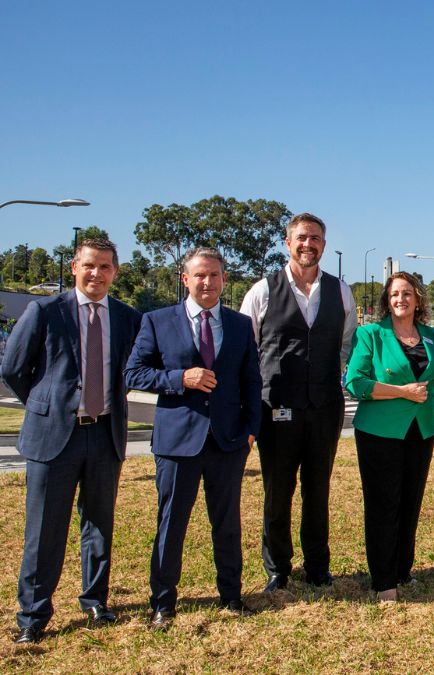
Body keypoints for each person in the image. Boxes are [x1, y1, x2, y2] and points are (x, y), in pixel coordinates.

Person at [1, 239, 141, 645]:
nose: (96, 274)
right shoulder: (44, 311)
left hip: (104, 433)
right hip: (53, 437)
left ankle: (95, 599)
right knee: (44, 529)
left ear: (115, 272)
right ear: (75, 268)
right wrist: (45, 406)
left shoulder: (127, 317)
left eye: (105, 267)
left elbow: (134, 368)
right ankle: (33, 613)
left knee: (99, 523)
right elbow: (13, 368)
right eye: (89, 266)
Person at [125, 247, 262, 632]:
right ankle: (163, 603)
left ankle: (231, 596)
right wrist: (178, 378)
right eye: (200, 275)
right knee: (172, 523)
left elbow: (251, 379)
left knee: (228, 522)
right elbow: (133, 373)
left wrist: (252, 428)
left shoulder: (238, 324)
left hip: (228, 441)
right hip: (177, 441)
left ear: (224, 280)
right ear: (184, 279)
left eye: (215, 275)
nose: (208, 282)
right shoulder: (157, 321)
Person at [239, 212, 356, 592]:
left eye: (316, 238)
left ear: (324, 244)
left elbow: (345, 342)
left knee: (317, 489)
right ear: (288, 244)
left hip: (324, 407)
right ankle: (277, 568)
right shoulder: (262, 291)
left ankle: (318, 565)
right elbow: (247, 349)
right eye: (302, 238)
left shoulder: (341, 291)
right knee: (278, 490)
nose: (309, 244)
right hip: (277, 408)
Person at [344, 272, 434, 602]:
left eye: (407, 293)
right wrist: (400, 391)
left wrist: (427, 394)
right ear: (387, 301)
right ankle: (384, 580)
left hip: (422, 429)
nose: (400, 299)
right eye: (394, 294)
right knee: (383, 505)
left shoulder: (431, 335)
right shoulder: (370, 334)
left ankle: (403, 570)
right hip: (380, 432)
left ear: (418, 299)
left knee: (410, 502)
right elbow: (355, 383)